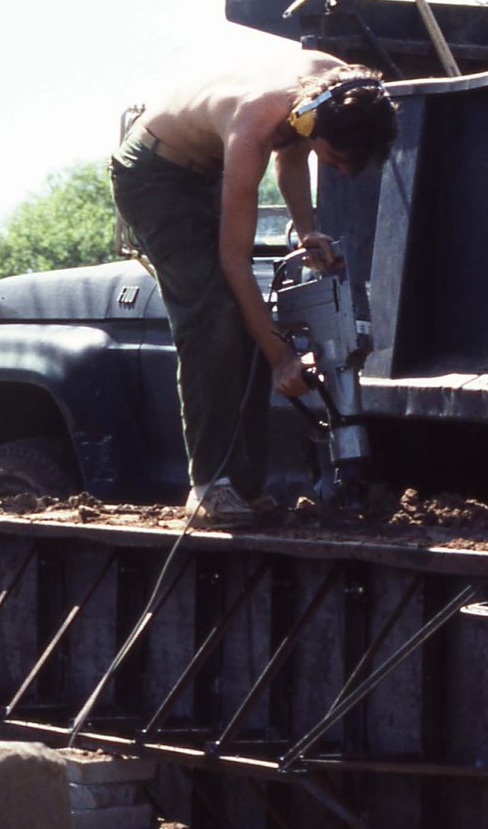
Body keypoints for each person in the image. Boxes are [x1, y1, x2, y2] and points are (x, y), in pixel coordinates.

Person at [109, 55, 399, 528]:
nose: (342, 170)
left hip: (202, 169)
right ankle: (208, 488)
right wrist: (281, 358)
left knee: (250, 317)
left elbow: (292, 157)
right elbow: (233, 261)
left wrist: (307, 232)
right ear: (311, 121)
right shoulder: (255, 119)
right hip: (154, 176)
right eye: (338, 159)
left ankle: (243, 488)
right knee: (214, 314)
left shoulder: (330, 87)